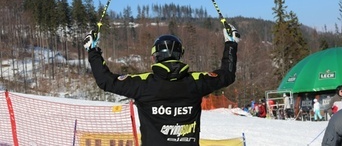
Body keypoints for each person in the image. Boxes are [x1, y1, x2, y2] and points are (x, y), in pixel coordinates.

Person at [83, 24, 240, 146]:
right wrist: (231, 44)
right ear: (180, 55)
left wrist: (92, 50)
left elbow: (106, 81)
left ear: (154, 57)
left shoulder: (143, 84)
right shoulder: (195, 81)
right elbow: (227, 75)